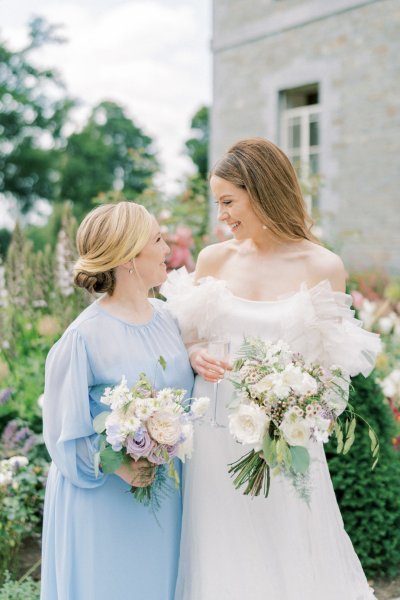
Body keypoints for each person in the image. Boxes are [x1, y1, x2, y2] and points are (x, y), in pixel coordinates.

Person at [162, 138, 381, 600]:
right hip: (215, 435)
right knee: (221, 554)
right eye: (218, 203)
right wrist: (195, 354)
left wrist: (295, 412)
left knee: (291, 552)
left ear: (260, 190)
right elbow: (185, 340)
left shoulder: (322, 264)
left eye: (228, 201)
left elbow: (332, 373)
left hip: (283, 444)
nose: (221, 215)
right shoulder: (213, 259)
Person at [40, 202, 194, 600]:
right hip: (105, 502)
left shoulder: (170, 319)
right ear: (128, 258)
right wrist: (119, 463)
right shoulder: (83, 337)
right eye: (158, 239)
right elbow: (62, 436)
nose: (168, 248)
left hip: (166, 500)